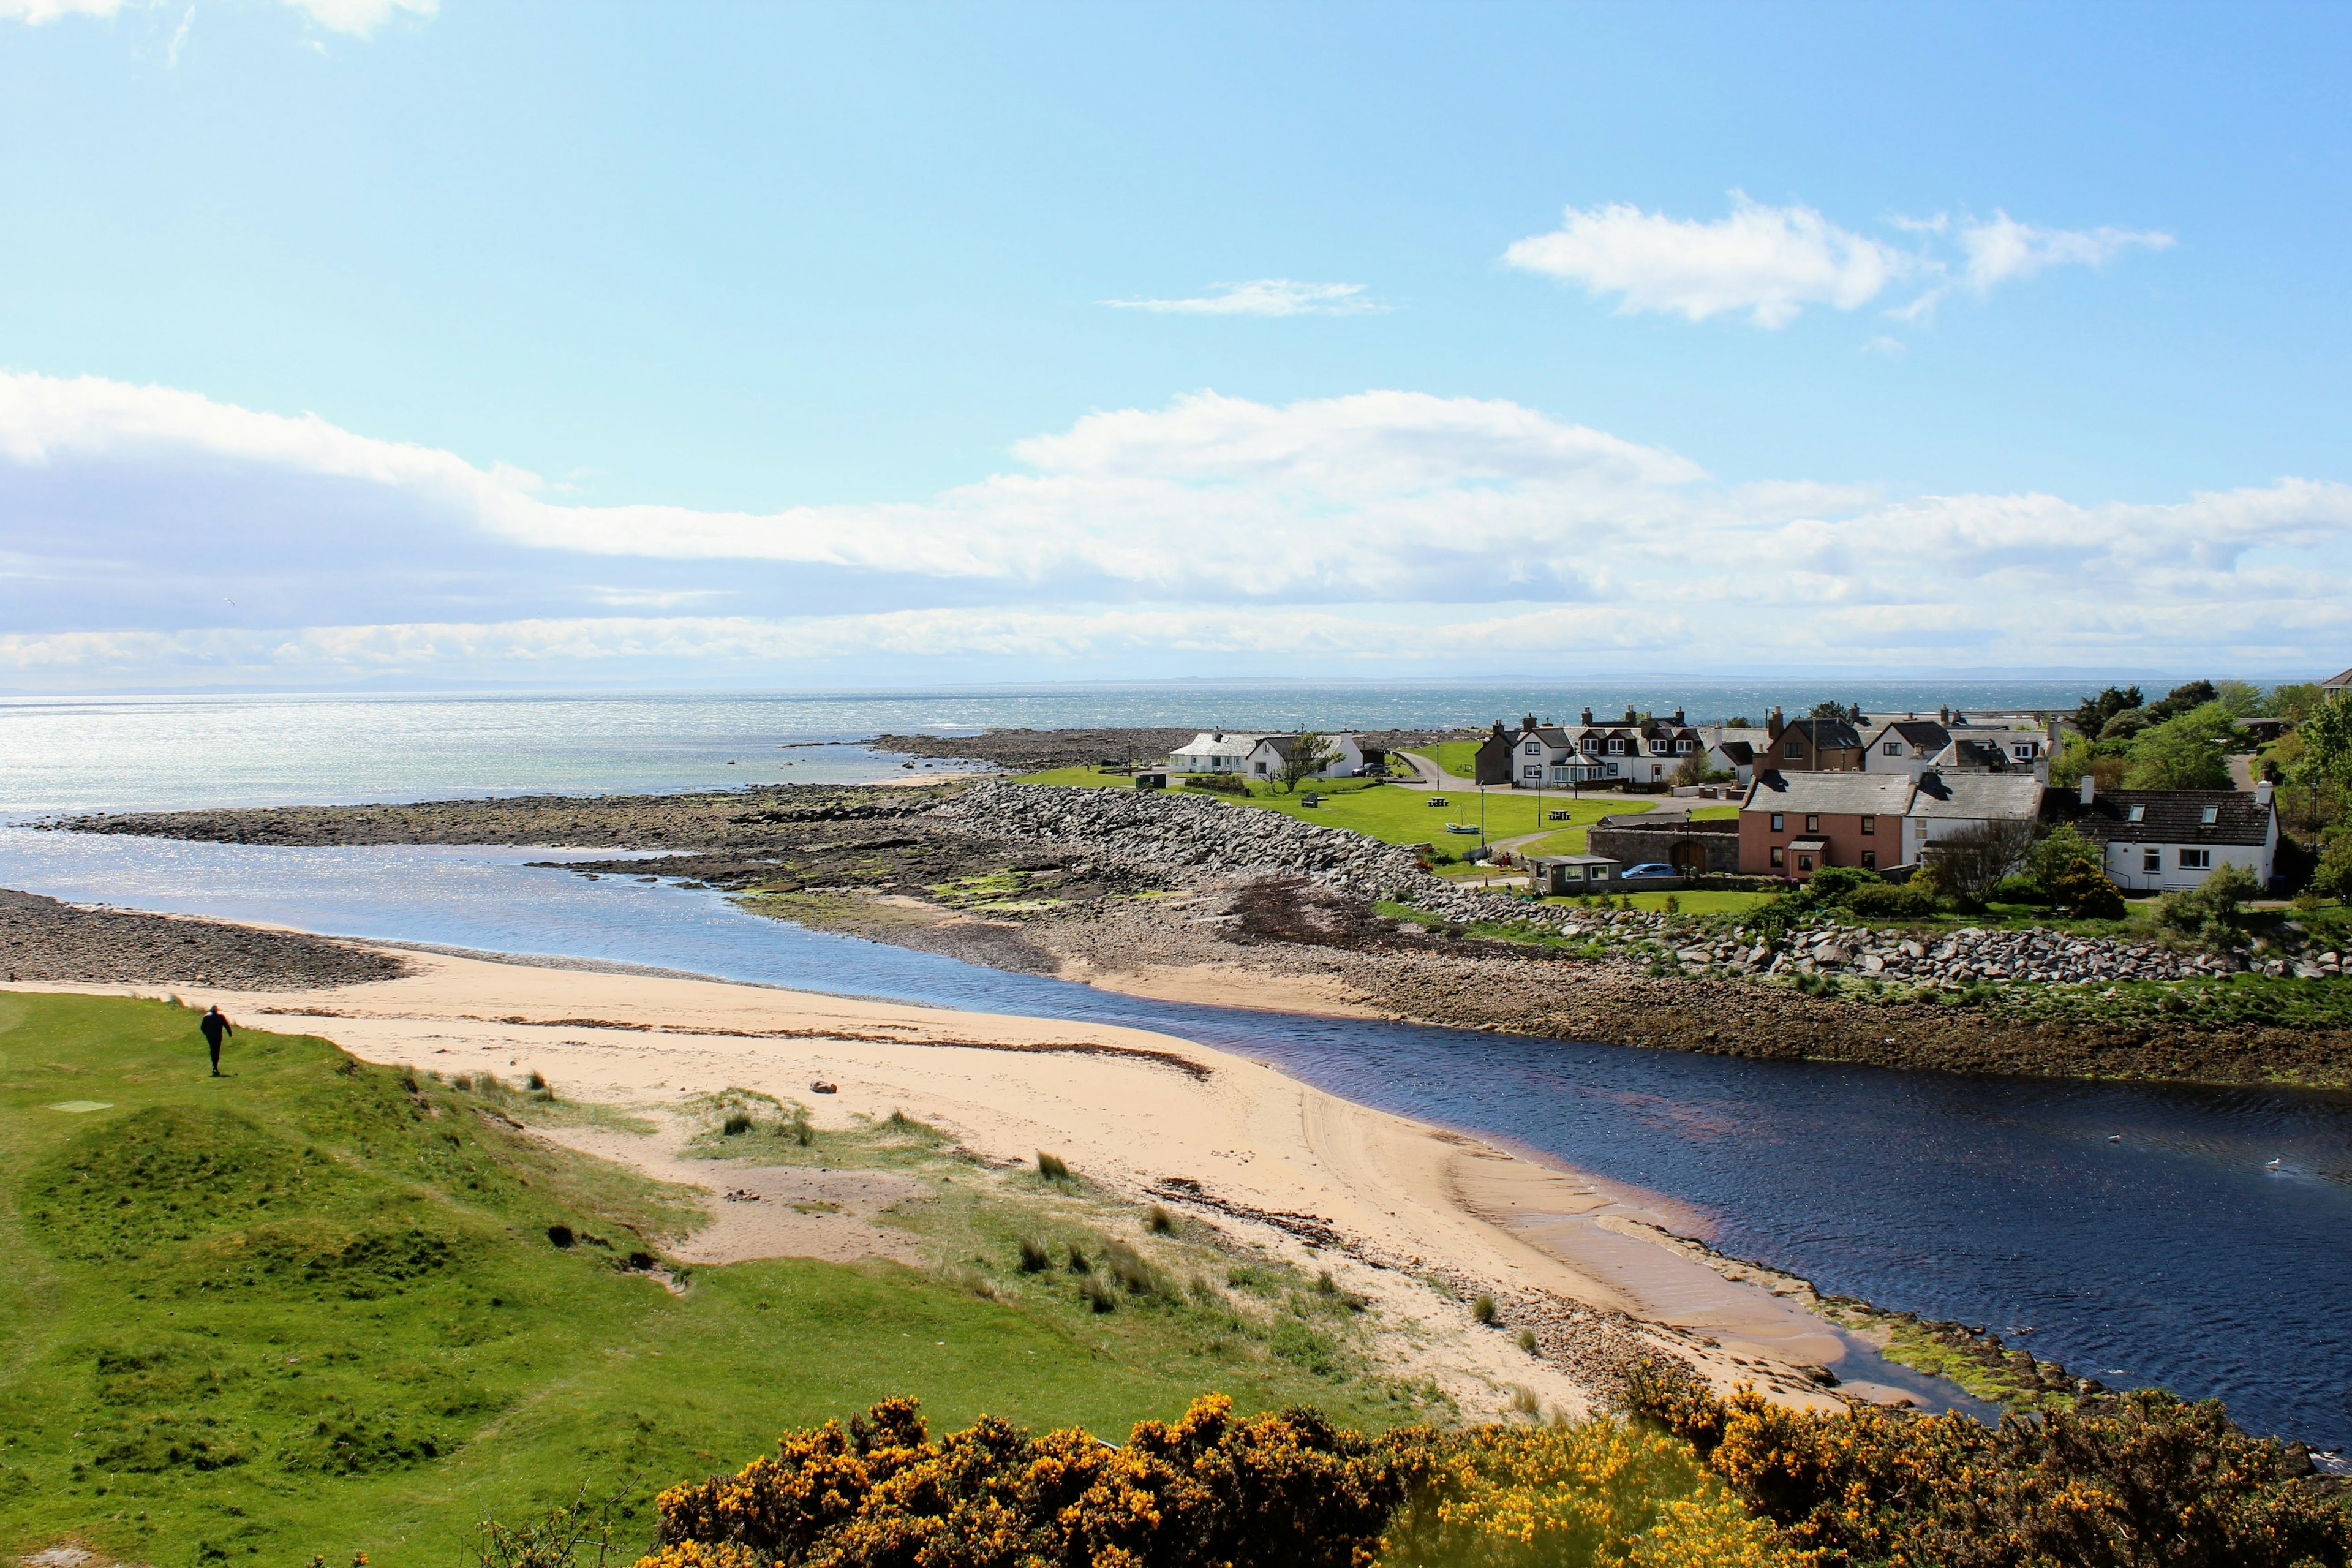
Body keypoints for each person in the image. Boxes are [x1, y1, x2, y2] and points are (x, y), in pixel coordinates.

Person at [199, 1004, 233, 1076]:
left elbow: (202, 1028)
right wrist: (230, 1033)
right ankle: (215, 1067)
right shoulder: (221, 1017)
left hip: (210, 1037)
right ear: (217, 1011)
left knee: (212, 1050)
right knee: (217, 1051)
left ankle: (214, 1067)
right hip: (218, 1037)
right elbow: (227, 1026)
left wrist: (207, 1034)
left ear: (211, 1011)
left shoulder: (207, 1018)